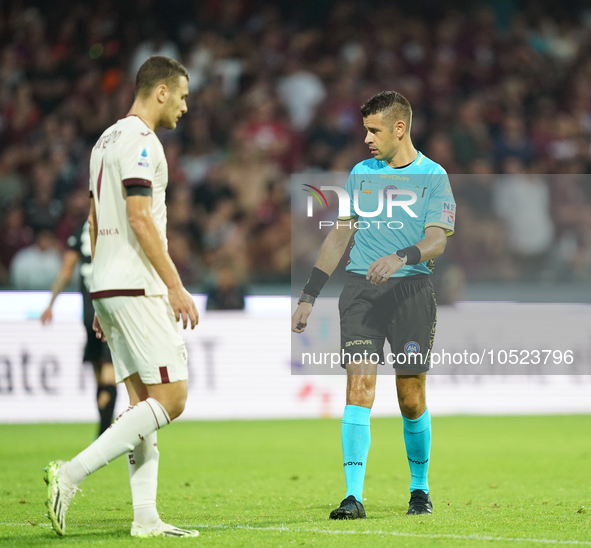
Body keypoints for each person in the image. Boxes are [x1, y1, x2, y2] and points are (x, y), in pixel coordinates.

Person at [44, 56, 200, 538]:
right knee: (171, 399)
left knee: (139, 405)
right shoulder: (139, 141)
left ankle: (145, 518)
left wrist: (96, 297)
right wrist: (174, 284)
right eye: (182, 95)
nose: (185, 106)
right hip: (138, 285)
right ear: (160, 92)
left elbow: (93, 222)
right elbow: (138, 217)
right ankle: (69, 474)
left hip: (109, 286)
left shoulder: (104, 140)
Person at [292, 91, 455, 518]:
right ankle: (353, 497)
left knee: (410, 398)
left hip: (411, 292)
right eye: (365, 129)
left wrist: (403, 255)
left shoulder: (433, 176)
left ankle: (419, 489)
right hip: (361, 292)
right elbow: (340, 235)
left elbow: (438, 237)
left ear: (399, 129)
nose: (366, 138)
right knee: (358, 388)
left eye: (374, 130)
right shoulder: (361, 174)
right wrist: (309, 294)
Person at [41, 220, 117, 438]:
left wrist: (50, 304)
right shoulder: (117, 224)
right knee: (107, 374)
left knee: (101, 373)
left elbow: (66, 271)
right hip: (110, 308)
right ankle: (105, 433)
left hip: (89, 312)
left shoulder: (80, 229)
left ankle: (103, 431)